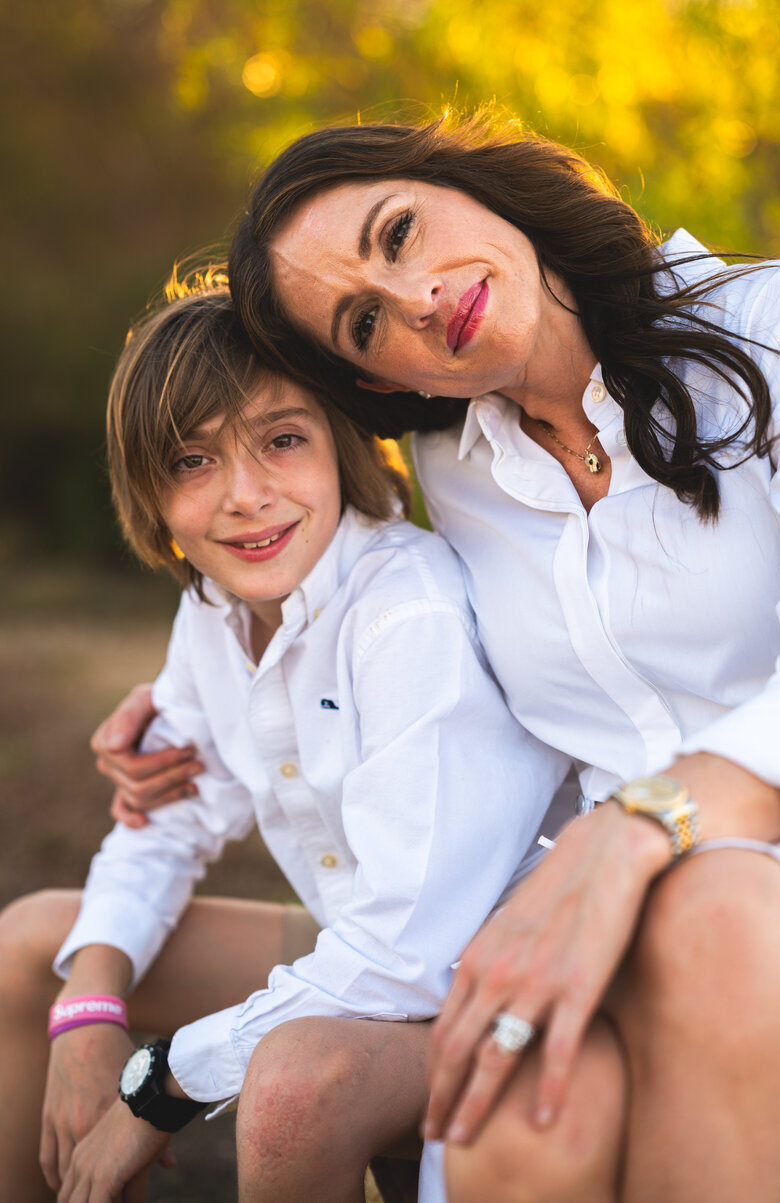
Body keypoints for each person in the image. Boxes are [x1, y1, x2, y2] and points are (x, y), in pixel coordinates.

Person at [100, 108, 780, 1202]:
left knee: (712, 915)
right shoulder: (459, 461)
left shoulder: (774, 327)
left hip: (718, 875)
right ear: (377, 384)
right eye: (364, 323)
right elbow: (367, 592)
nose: (418, 299)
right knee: (510, 1122)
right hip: (593, 912)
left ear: (470, 182)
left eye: (398, 233)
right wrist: (186, 707)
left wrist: (636, 828)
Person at [0, 273, 564, 1203]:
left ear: (342, 442)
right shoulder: (215, 612)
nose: (246, 496)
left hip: (495, 984)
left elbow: (406, 953)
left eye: (282, 440)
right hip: (367, 940)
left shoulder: (403, 611)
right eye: (193, 460)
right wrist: (89, 1008)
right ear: (148, 493)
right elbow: (165, 820)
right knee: (35, 946)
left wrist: (160, 1082)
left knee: (290, 1088)